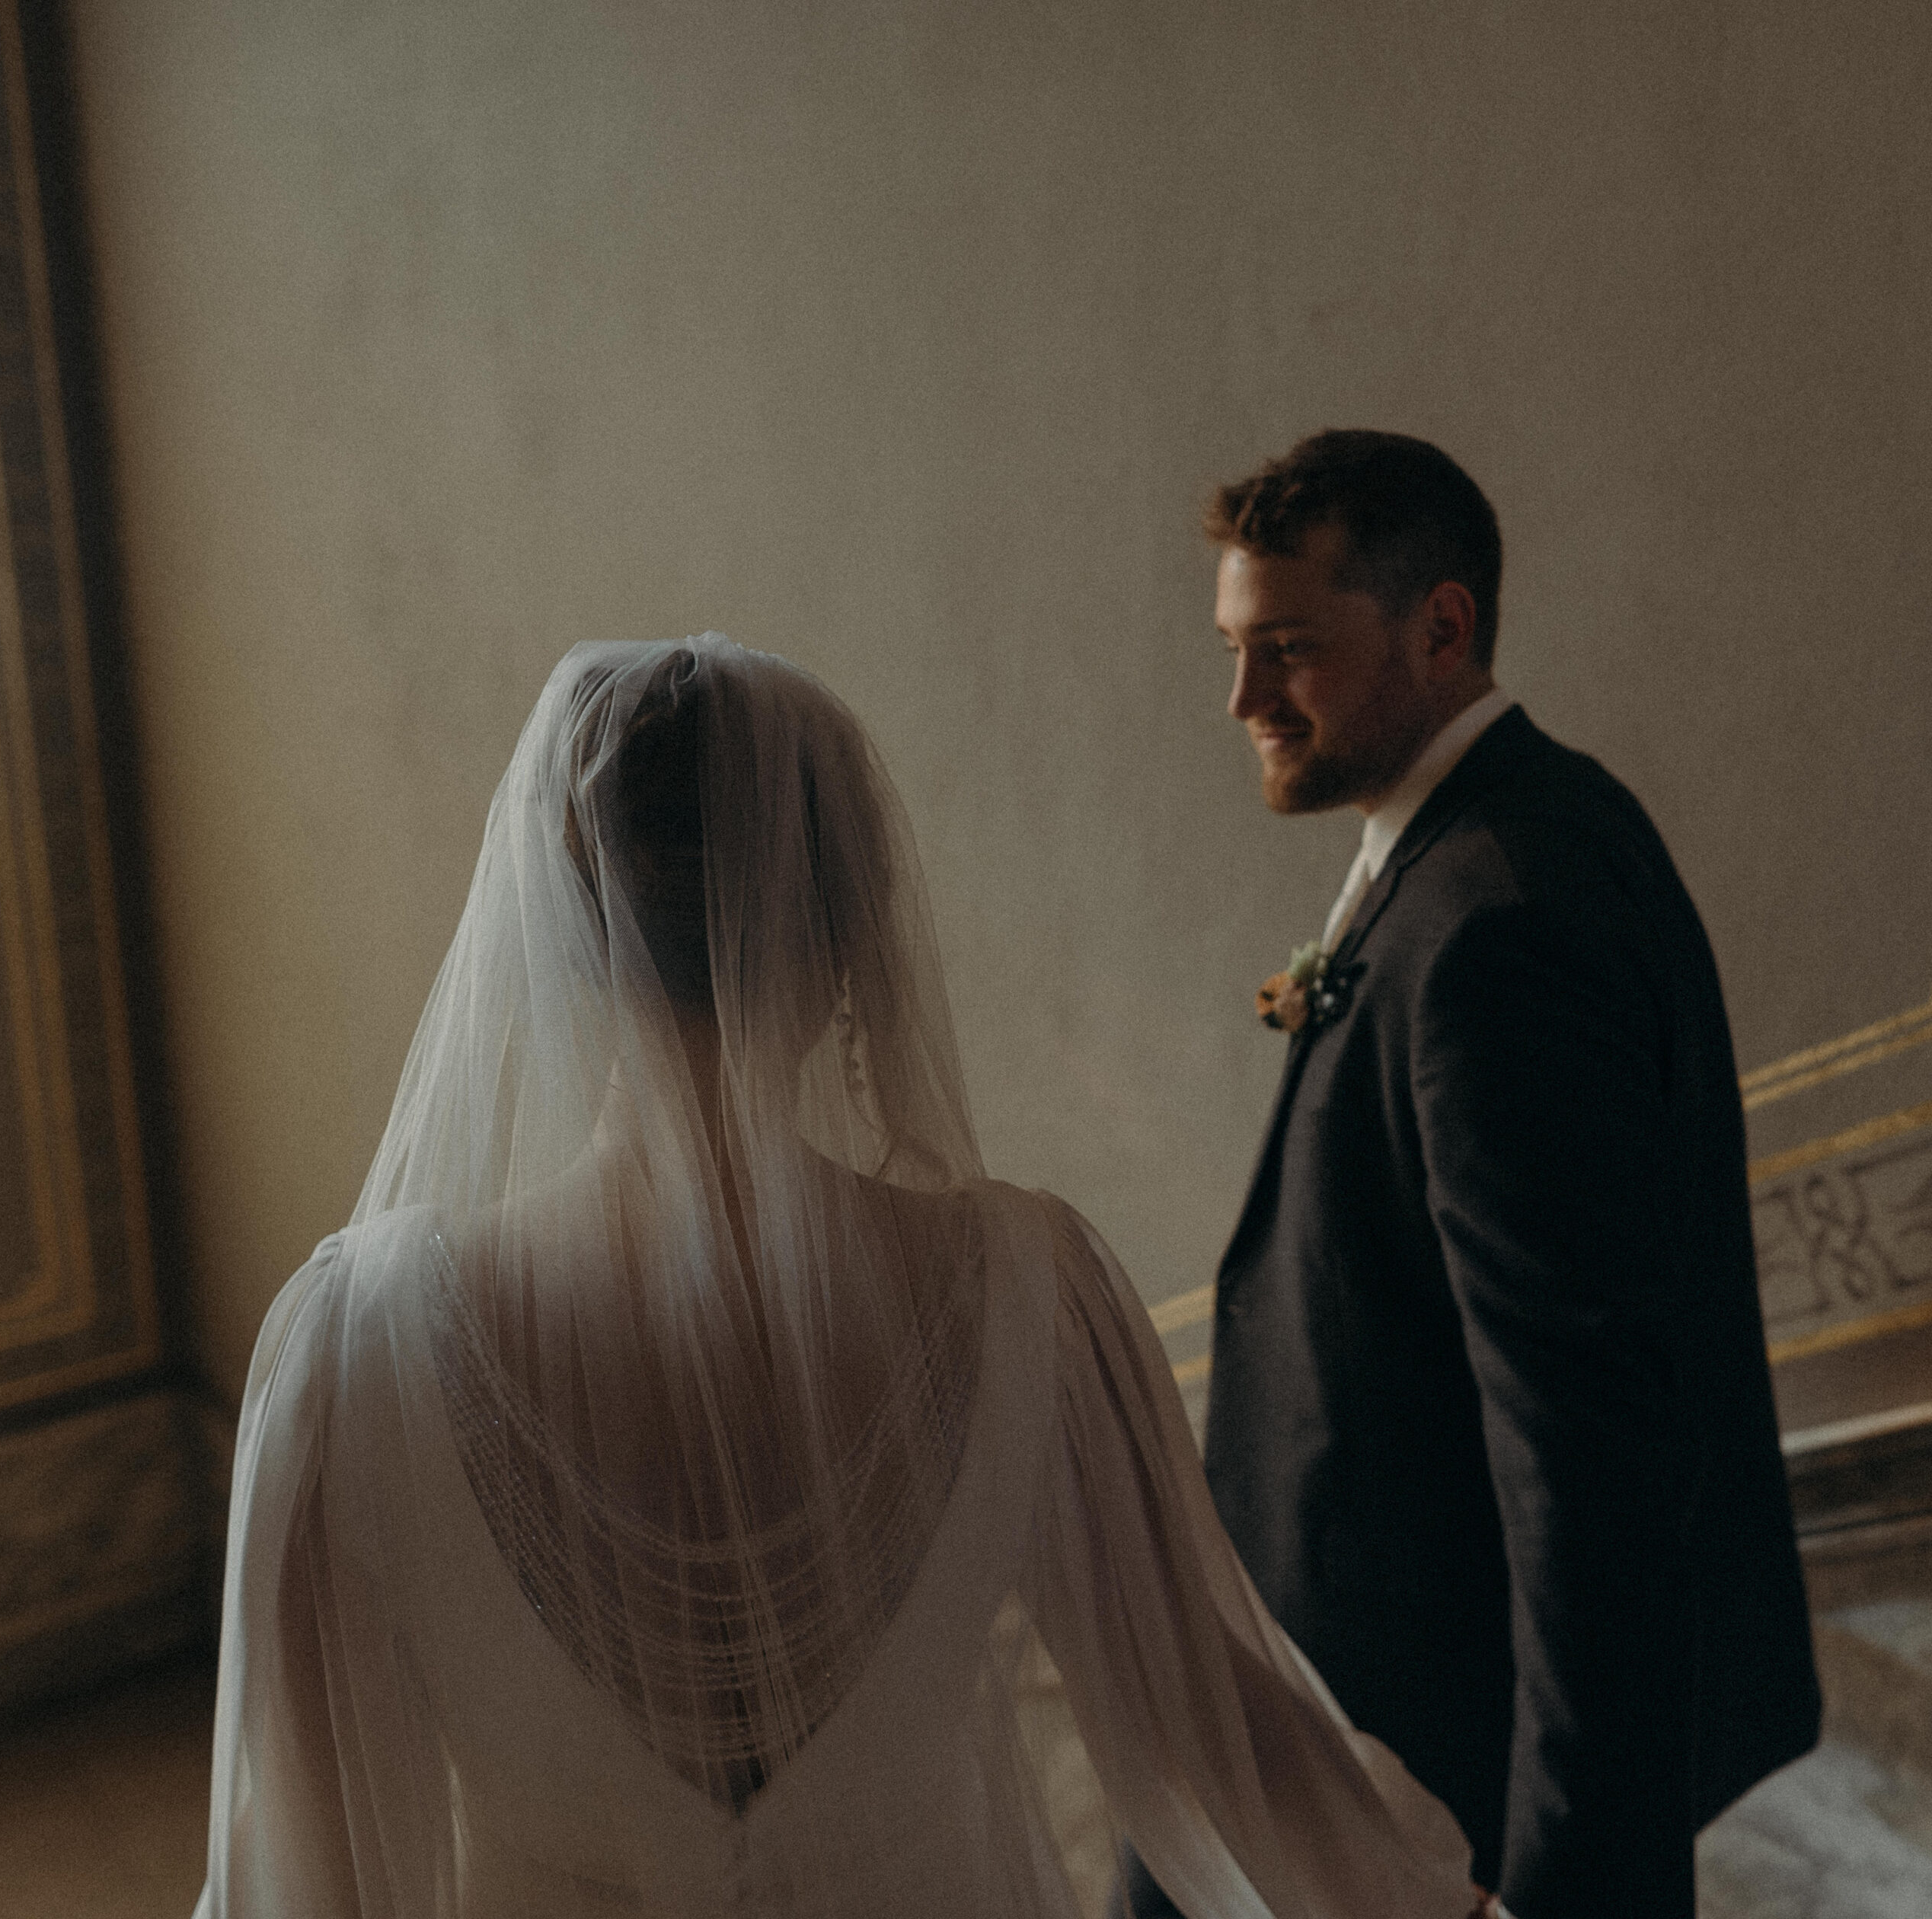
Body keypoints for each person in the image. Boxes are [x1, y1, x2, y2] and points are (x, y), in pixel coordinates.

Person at [193, 636, 1487, 1918]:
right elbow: (1230, 1734)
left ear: (556, 943)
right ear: (851, 943)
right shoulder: (1030, 1295)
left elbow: (305, 1869)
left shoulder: (352, 1350)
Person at [1117, 432, 1819, 1919]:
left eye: (1286, 650)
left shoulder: (1497, 917)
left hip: (1437, 1806)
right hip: (1366, 1772)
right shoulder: (1493, 846)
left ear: (1440, 626)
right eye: (1234, 650)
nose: (1240, 700)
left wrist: (1569, 1886)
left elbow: (1585, 1457)